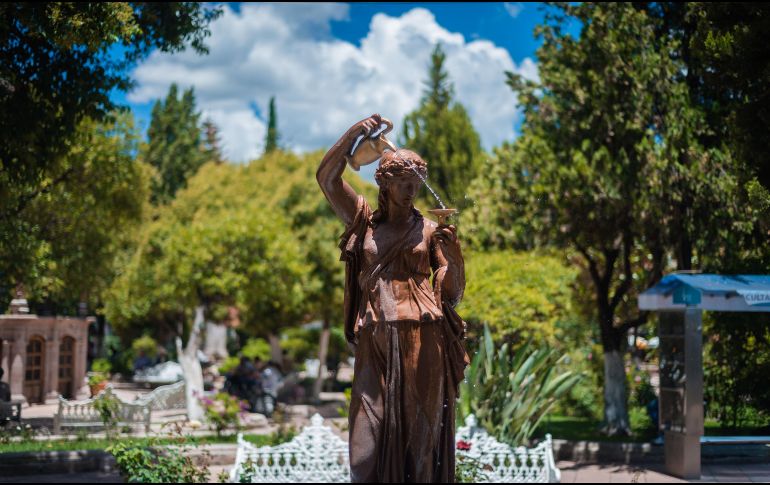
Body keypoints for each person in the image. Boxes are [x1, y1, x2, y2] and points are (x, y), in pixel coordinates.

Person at [317, 114, 469, 483]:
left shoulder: (431, 231)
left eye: (415, 184)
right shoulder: (362, 222)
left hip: (423, 337)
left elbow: (452, 295)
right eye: (403, 183)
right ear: (384, 183)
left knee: (420, 449)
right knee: (363, 455)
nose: (410, 191)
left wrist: (454, 259)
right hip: (375, 341)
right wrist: (356, 133)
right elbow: (326, 178)